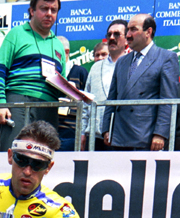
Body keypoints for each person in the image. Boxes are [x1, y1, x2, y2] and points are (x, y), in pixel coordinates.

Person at [0, 0, 65, 151]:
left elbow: (61, 84)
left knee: (44, 157)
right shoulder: (16, 34)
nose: (49, 14)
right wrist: (1, 103)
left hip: (49, 106)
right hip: (17, 102)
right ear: (32, 10)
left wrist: (71, 92)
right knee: (13, 154)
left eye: (53, 10)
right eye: (44, 9)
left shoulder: (58, 45)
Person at [102, 14, 179, 151]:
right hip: (119, 137)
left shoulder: (166, 58)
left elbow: (168, 100)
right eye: (127, 30)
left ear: (148, 32)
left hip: (146, 138)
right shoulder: (122, 61)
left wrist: (160, 134)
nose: (128, 35)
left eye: (133, 30)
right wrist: (106, 128)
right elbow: (112, 99)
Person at [81, 20, 128, 151]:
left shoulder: (134, 65)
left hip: (123, 136)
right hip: (95, 137)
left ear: (127, 38)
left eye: (117, 34)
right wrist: (82, 132)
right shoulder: (95, 67)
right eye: (109, 35)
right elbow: (86, 102)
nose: (112, 38)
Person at [56, 36, 88, 151]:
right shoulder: (49, 73)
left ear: (66, 52)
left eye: (54, 52)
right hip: (51, 130)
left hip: (72, 131)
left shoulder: (80, 72)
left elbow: (87, 102)